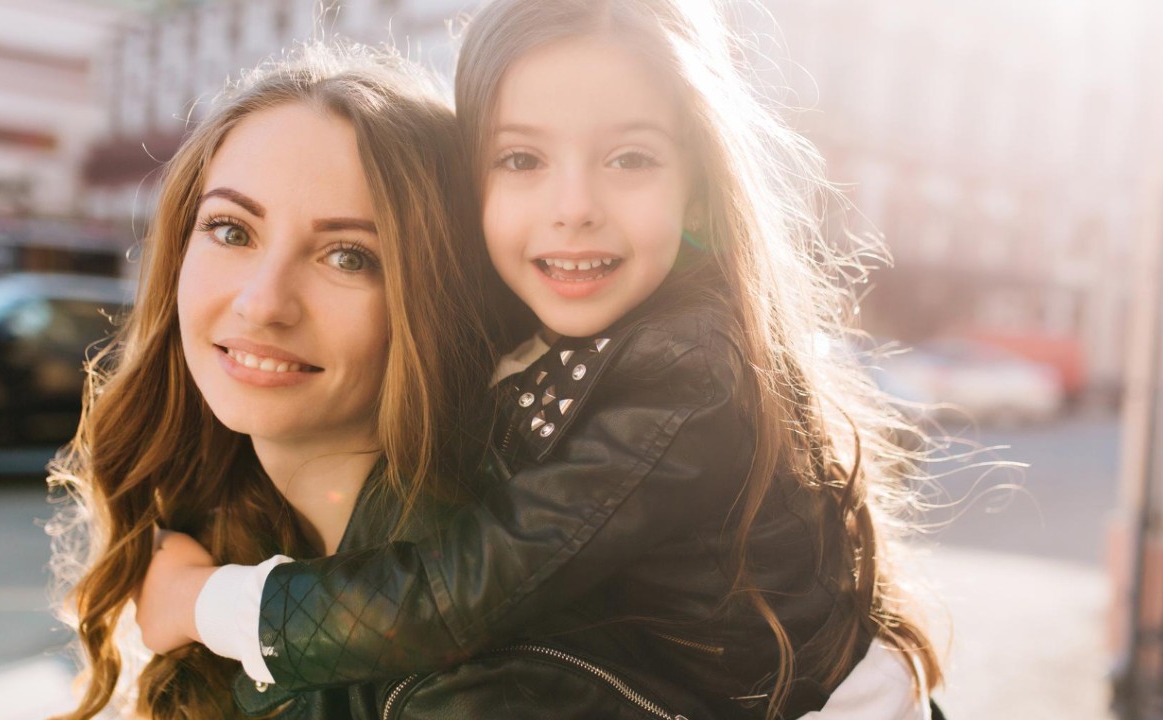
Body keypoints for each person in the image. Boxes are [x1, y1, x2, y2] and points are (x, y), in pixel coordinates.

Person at [137, 1, 946, 718]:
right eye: (521, 159)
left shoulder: (691, 368)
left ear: (697, 189)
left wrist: (208, 603)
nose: (574, 210)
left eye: (629, 159)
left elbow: (459, 595)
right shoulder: (545, 340)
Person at [46, 45, 510, 720]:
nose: (264, 303)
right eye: (232, 230)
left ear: (438, 299)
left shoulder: (479, 621)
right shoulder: (218, 530)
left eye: (349, 256)